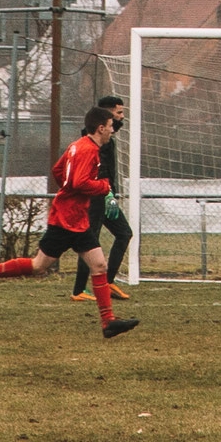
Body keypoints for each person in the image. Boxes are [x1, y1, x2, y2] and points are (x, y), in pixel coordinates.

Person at [0, 107, 139, 339]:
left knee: (98, 266)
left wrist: (68, 190)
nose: (111, 131)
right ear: (100, 128)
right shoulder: (89, 150)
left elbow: (58, 171)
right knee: (39, 266)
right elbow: (78, 182)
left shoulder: (77, 145)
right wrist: (103, 186)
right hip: (66, 219)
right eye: (110, 126)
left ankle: (108, 322)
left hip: (76, 217)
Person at [71, 95, 134, 305]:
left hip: (105, 196)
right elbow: (99, 171)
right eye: (118, 113)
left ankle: (107, 281)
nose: (121, 117)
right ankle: (79, 289)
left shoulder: (106, 138)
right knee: (90, 241)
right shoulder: (96, 142)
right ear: (105, 118)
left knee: (124, 233)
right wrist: (108, 196)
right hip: (96, 198)